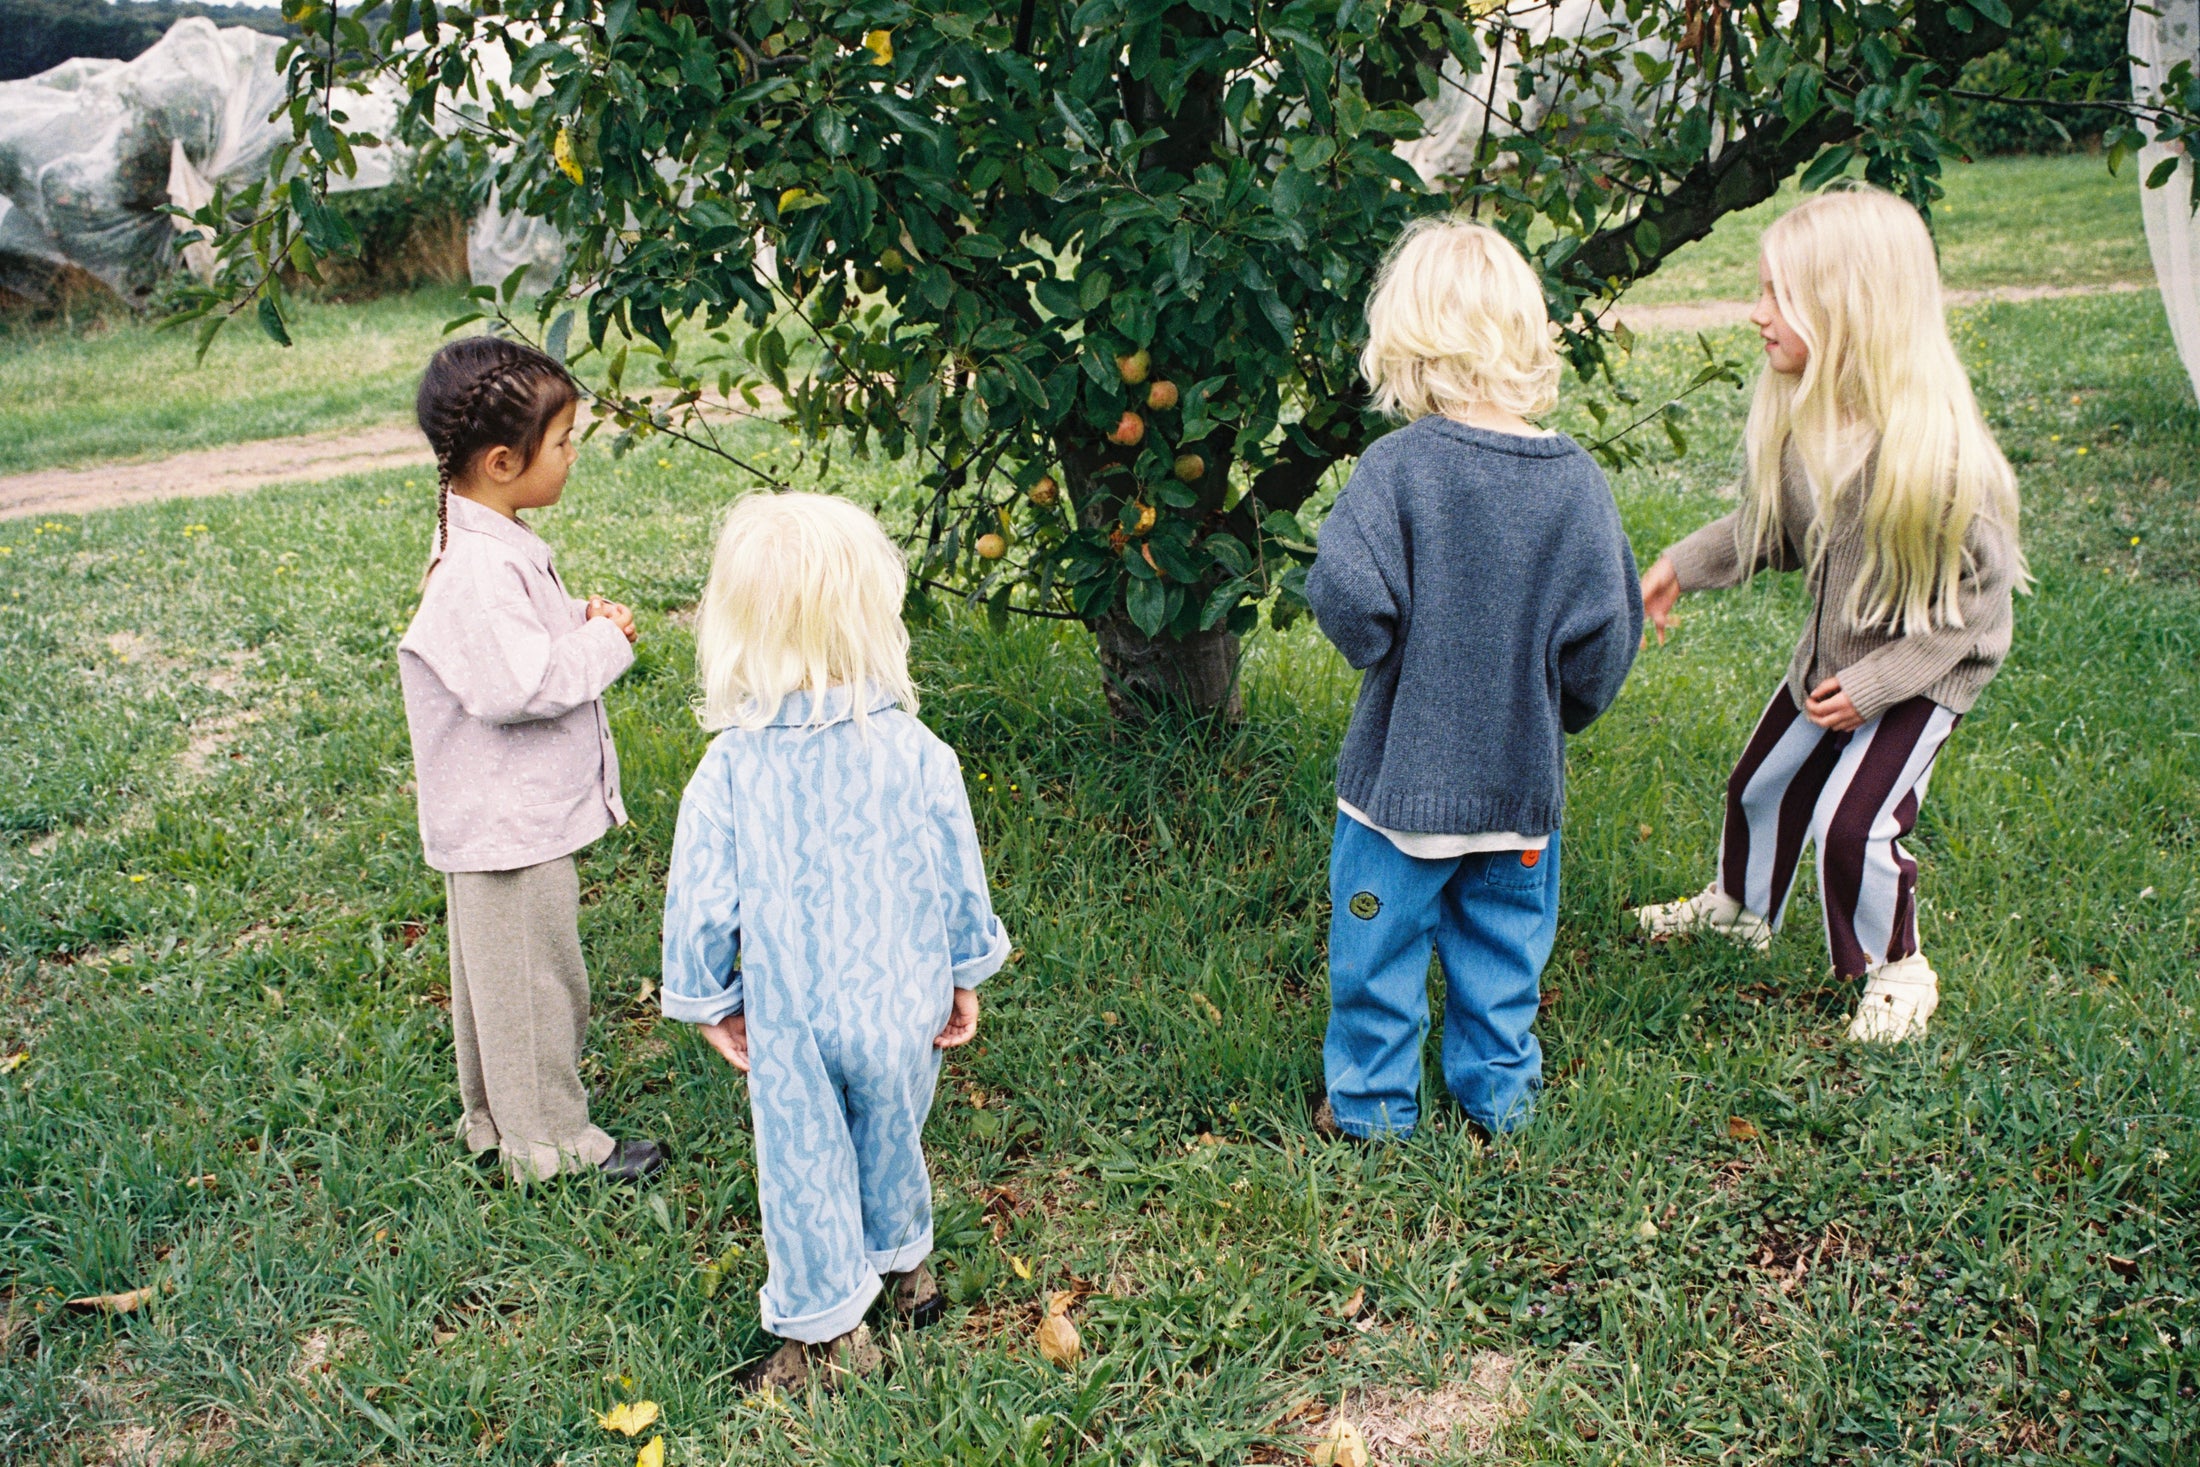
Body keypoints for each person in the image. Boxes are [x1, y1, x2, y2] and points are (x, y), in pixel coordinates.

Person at [1632, 185, 2025, 1043]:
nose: (1756, 313)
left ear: (1848, 309)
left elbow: (1979, 605)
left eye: (1778, 294)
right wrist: (1677, 569)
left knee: (1856, 822)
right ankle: (1741, 908)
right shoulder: (1810, 418)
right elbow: (1763, 529)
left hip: (1924, 669)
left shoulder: (1940, 456)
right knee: (1759, 783)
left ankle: (1899, 969)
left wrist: (1883, 682)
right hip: (1830, 662)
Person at [659, 491, 1010, 1392]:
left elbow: (702, 902)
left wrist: (708, 998)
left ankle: (829, 1329)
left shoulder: (732, 767)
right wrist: (966, 972)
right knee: (892, 1128)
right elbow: (955, 875)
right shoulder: (917, 750)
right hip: (904, 1000)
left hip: (795, 1013)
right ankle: (909, 1270)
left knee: (805, 1163)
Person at [1306, 217, 1642, 1141]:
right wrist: (1560, 709)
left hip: (1397, 797)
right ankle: (1500, 1099)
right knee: (1503, 953)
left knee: (1378, 948)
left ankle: (1372, 1108)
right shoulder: (1577, 484)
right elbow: (1605, 640)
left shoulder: (1398, 469)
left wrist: (1384, 643)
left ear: (1405, 341)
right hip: (1518, 788)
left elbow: (1350, 598)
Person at [397, 336, 664, 1184]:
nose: (573, 453)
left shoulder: (493, 540)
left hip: (499, 819)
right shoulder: (478, 565)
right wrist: (602, 641)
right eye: (564, 441)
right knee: (537, 989)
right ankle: (553, 1146)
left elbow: (512, 650)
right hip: (508, 828)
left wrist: (571, 616)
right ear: (505, 460)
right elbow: (520, 685)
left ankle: (495, 1123)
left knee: (496, 988)